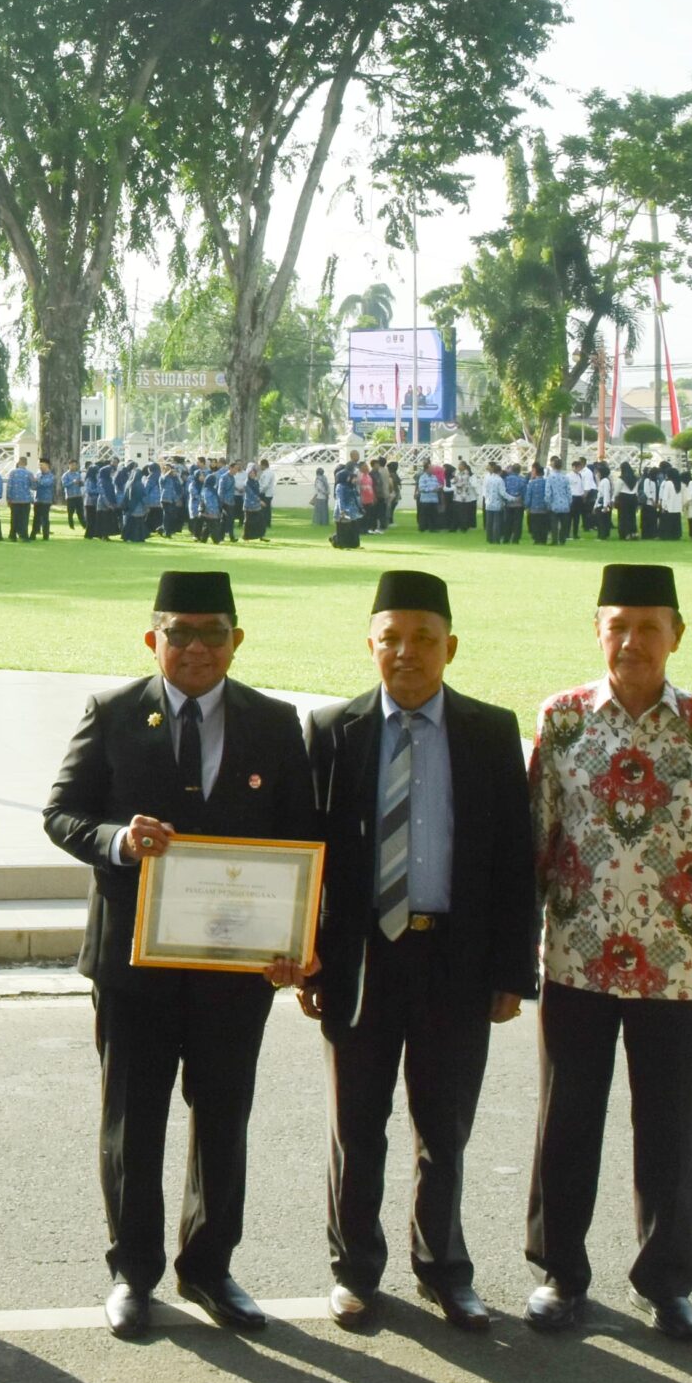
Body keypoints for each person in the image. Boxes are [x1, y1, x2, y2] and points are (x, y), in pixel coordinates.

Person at [41, 570, 316, 1340]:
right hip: (135, 962)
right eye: (179, 632)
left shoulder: (274, 721)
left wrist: (298, 939)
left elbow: (302, 838)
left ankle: (210, 1266)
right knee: (135, 1119)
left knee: (224, 1116)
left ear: (237, 639)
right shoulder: (114, 713)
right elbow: (62, 815)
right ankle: (134, 1272)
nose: (195, 647)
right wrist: (118, 841)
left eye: (212, 633)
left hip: (237, 965)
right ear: (151, 637)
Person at [524, 564, 692, 1343]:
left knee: (669, 1127)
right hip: (578, 962)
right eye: (617, 625)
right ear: (597, 630)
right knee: (569, 1121)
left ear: (676, 635)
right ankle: (560, 1274)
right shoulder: (561, 722)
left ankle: (667, 1283)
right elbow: (535, 841)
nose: (631, 642)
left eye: (648, 627)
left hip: (680, 966)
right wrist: (514, 953)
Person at [301, 571, 539, 1333]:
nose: (407, 654)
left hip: (453, 958)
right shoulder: (333, 730)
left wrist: (512, 971)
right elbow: (309, 857)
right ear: (369, 645)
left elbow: (513, 858)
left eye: (424, 640)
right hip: (360, 959)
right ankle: (355, 1272)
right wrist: (305, 957)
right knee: (357, 1125)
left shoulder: (489, 731)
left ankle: (443, 1269)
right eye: (391, 639)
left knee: (445, 1126)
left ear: (451, 647)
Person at [4, 456, 34, 542]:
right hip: (25, 500)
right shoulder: (29, 474)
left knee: (14, 518)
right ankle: (23, 535)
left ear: (18, 462)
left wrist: (8, 498)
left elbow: (9, 486)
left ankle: (12, 535)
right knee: (24, 519)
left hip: (14, 499)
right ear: (26, 463)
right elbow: (33, 486)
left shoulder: (12, 473)